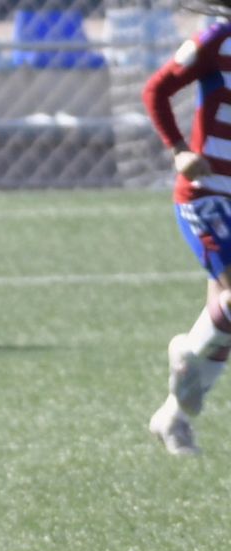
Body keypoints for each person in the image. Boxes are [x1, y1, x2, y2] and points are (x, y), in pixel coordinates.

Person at [142, 17, 231, 455]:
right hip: (205, 195)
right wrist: (180, 151)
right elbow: (155, 90)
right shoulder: (217, 38)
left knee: (225, 318)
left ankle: (172, 417)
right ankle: (184, 352)